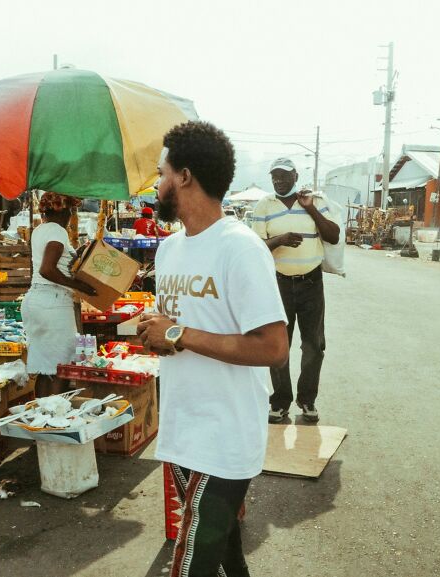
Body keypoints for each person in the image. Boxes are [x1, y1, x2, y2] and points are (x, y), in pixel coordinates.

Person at [137, 121, 288, 577]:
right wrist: (159, 335)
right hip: (185, 426)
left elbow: (274, 346)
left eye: (162, 173)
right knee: (225, 555)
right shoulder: (169, 251)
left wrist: (178, 334)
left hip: (226, 433)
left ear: (183, 176)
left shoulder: (239, 248)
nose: (158, 184)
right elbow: (179, 330)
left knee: (192, 563)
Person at [252, 158, 340, 424]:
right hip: (278, 283)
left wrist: (310, 209)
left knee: (314, 345)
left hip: (311, 282)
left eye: (283, 176)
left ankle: (307, 400)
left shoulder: (313, 201)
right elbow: (253, 248)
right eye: (274, 177)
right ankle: (280, 402)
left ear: (295, 176)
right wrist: (278, 240)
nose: (278, 181)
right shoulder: (264, 205)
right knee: (278, 344)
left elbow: (333, 235)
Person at [21, 192, 96, 397]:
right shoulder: (58, 231)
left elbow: (56, 261)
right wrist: (77, 285)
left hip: (37, 301)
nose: (72, 215)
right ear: (63, 210)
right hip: (52, 302)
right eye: (71, 210)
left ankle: (43, 413)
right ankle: (54, 413)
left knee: (47, 369)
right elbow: (48, 269)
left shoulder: (40, 230)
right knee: (60, 367)